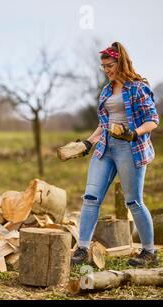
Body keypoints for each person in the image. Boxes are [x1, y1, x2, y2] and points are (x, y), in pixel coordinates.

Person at [71, 42, 160, 267]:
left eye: (110, 65)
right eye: (104, 67)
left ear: (121, 62)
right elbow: (104, 123)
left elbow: (153, 120)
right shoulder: (106, 90)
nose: (107, 70)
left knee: (134, 201)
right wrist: (89, 143)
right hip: (106, 148)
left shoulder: (138, 88)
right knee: (91, 198)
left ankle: (149, 252)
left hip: (130, 149)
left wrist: (134, 133)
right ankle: (82, 249)